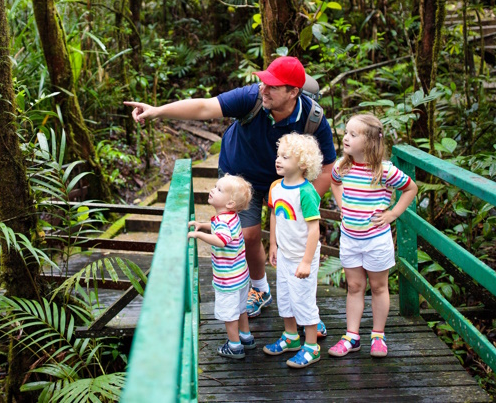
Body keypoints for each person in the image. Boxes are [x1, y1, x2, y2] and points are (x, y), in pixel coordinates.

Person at [125, 56, 337, 330]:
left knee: (291, 240)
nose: (264, 88)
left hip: (285, 182)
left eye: (273, 86)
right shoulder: (252, 97)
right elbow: (204, 107)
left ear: (293, 92)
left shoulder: (313, 119)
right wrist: (157, 111)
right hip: (240, 175)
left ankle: (303, 309)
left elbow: (327, 167)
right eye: (264, 82)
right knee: (247, 235)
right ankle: (260, 288)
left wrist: (302, 202)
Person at [327, 114, 418, 359]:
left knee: (378, 287)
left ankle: (378, 334)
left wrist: (393, 213)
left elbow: (410, 188)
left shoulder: (384, 170)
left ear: (369, 143)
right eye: (346, 132)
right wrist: (342, 206)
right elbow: (334, 183)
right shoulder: (342, 165)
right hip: (350, 237)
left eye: (353, 135)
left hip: (376, 239)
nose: (345, 137)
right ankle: (352, 336)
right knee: (355, 286)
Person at [262, 133, 324, 368]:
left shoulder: (306, 193)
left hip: (302, 256)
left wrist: (307, 261)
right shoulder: (276, 187)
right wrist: (273, 244)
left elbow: (314, 231)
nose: (278, 160)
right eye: (278, 155)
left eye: (285, 157)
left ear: (302, 164)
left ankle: (311, 347)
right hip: (285, 253)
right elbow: (275, 215)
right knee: (285, 298)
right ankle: (291, 337)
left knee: (304, 301)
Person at [188, 174, 255, 359]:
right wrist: (202, 225)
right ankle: (246, 336)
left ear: (230, 203)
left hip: (228, 279)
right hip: (241, 275)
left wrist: (198, 235)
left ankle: (234, 346)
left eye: (219, 190)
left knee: (229, 313)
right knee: (241, 308)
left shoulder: (224, 221)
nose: (212, 189)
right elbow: (218, 228)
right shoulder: (230, 217)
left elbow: (221, 240)